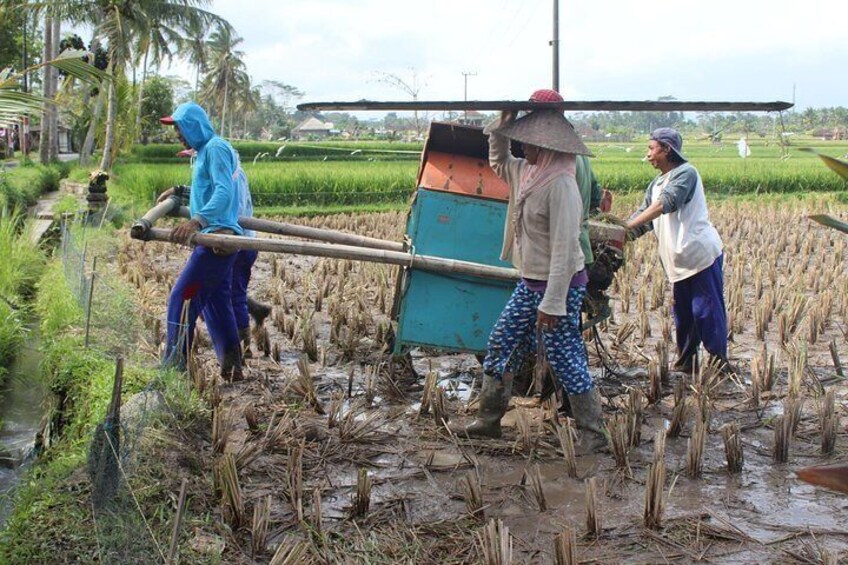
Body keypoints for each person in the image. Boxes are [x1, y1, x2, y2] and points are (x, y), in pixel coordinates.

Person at [460, 90, 605, 446]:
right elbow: (498, 160)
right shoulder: (527, 171)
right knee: (501, 342)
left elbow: (565, 249)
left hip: (561, 286)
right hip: (530, 283)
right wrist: (505, 121)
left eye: (528, 140)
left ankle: (593, 431)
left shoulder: (562, 185)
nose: (521, 146)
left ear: (546, 144)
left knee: (563, 354)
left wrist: (553, 302)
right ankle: (489, 419)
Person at [626, 127, 731, 374]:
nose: (648, 154)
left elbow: (666, 203)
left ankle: (719, 364)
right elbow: (644, 219)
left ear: (667, 149)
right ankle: (686, 362)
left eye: (651, 148)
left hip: (699, 255)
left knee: (706, 310)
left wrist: (629, 225)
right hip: (677, 261)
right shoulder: (656, 184)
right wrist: (618, 234)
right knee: (683, 314)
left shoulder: (686, 173)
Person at [160, 102, 245, 380]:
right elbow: (206, 189)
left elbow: (224, 192)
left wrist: (197, 221)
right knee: (216, 305)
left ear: (194, 125)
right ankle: (233, 368)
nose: (178, 135)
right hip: (215, 238)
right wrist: (179, 193)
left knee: (181, 299)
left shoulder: (216, 148)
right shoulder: (204, 153)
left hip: (218, 239)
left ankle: (173, 370)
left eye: (180, 128)